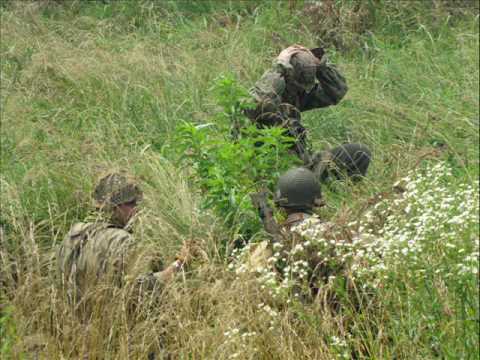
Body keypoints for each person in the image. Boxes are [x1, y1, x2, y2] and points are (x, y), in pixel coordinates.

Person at [57, 172, 193, 303]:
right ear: (115, 206)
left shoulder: (74, 233)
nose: (137, 208)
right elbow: (142, 291)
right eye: (132, 203)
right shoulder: (122, 240)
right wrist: (178, 264)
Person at [245, 45, 371, 182]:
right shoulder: (264, 95)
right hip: (272, 172)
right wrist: (278, 66)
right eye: (297, 86)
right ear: (286, 76)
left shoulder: (299, 94)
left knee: (359, 153)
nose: (301, 91)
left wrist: (320, 66)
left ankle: (339, 193)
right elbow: (257, 104)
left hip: (303, 164)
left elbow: (337, 92)